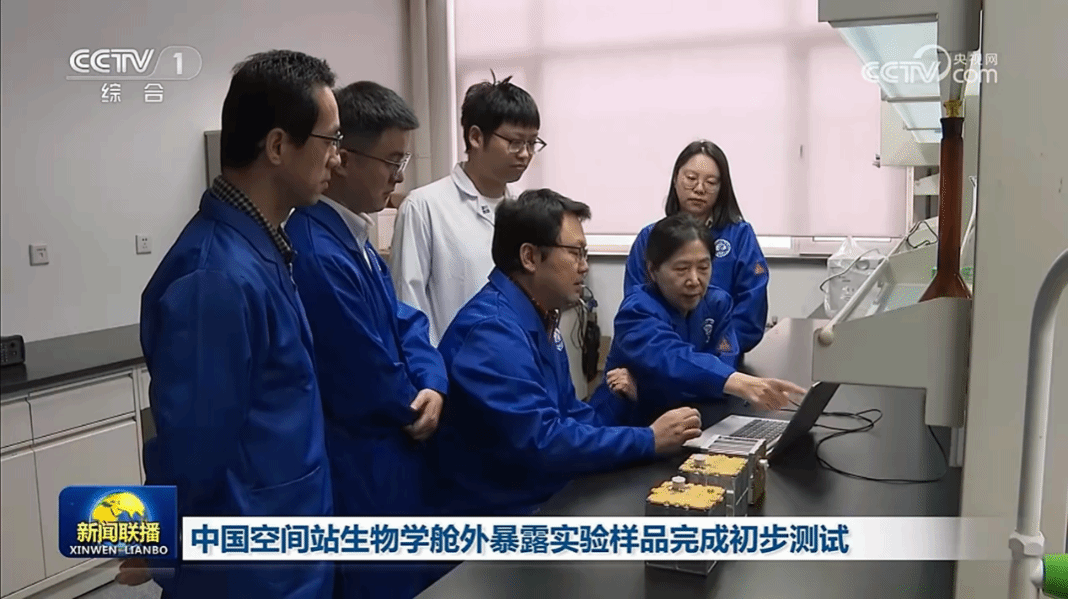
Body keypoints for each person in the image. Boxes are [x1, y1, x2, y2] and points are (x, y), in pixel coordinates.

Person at [137, 50, 342, 599]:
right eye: (330, 141)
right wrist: (155, 542)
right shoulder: (214, 277)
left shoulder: (263, 250)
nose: (337, 158)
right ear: (277, 146)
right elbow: (193, 455)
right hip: (248, 571)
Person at [428, 188, 704, 517]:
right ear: (530, 257)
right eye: (576, 253)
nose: (584, 267)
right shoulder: (492, 333)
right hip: (497, 515)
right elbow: (543, 440)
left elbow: (571, 415)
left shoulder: (539, 316)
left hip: (541, 491)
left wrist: (629, 408)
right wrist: (648, 440)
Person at [285, 81, 447, 599]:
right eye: (392, 162)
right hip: (362, 460)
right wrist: (417, 400)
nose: (399, 177)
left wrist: (433, 381)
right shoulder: (317, 252)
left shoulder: (355, 239)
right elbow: (365, 371)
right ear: (344, 159)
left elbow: (406, 323)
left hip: (393, 453)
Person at [593, 213, 804, 428]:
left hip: (686, 421)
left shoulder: (718, 304)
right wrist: (732, 381)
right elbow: (672, 358)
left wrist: (647, 389)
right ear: (653, 270)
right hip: (624, 428)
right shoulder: (637, 311)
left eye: (703, 268)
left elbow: (725, 359)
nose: (694, 280)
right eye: (681, 269)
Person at [389, 75, 544, 345]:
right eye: (516, 142)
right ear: (475, 137)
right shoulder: (424, 207)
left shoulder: (525, 211)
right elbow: (408, 307)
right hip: (449, 367)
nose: (525, 154)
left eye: (532, 143)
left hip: (514, 362)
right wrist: (431, 370)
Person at [624, 140, 770, 364]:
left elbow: (752, 306)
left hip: (723, 362)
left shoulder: (740, 235)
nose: (699, 189)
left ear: (721, 188)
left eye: (711, 182)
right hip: (661, 361)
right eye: (691, 178)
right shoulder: (650, 237)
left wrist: (718, 356)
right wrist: (675, 358)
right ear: (675, 179)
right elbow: (636, 304)